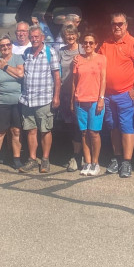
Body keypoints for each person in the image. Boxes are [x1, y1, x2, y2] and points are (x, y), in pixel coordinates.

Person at [100, 12, 134, 178]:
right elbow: (98, 62)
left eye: (120, 24)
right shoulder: (106, 43)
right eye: (114, 24)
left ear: (126, 25)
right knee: (113, 127)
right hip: (109, 95)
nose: (117, 27)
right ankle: (117, 158)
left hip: (126, 94)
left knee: (127, 128)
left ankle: (126, 162)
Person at [17, 26, 61, 174]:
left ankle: (45, 160)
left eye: (37, 37)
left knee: (45, 131)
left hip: (44, 99)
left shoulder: (50, 53)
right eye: (32, 37)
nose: (34, 39)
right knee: (30, 130)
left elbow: (57, 77)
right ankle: (32, 160)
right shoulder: (26, 53)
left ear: (42, 38)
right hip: (28, 99)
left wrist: (56, 97)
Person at [0, 35, 24, 174]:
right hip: (0, 102)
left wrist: (6, 66)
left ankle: (17, 159)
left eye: (8, 44)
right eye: (2, 45)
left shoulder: (18, 59)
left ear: (11, 45)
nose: (5, 47)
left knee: (16, 131)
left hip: (17, 102)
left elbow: (20, 74)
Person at [72, 32, 108, 176]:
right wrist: (72, 100)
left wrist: (101, 98)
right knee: (84, 132)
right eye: (85, 43)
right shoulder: (77, 60)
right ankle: (87, 162)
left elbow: (104, 79)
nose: (87, 45)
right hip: (80, 100)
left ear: (96, 45)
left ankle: (95, 163)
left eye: (91, 43)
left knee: (94, 132)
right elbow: (74, 81)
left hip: (95, 101)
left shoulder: (101, 59)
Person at [57, 23, 84, 171]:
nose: (70, 37)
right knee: (71, 125)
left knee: (81, 125)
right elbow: (57, 72)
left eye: (73, 34)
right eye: (67, 35)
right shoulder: (61, 52)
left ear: (77, 35)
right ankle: (76, 154)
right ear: (63, 37)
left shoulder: (82, 49)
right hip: (65, 94)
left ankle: (81, 156)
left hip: (81, 94)